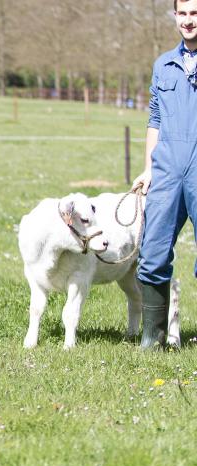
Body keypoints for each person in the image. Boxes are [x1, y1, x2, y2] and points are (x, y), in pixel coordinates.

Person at [130, 0, 197, 349]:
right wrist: (148, 167)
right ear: (175, 16)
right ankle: (152, 338)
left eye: (195, 13)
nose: (188, 21)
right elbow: (154, 118)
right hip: (167, 169)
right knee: (152, 252)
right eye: (183, 13)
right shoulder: (164, 65)